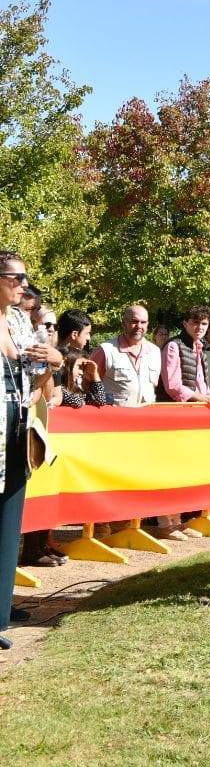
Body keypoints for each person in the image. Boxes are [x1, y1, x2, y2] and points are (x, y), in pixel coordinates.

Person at [0, 252, 46, 649]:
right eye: (16, 278)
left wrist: (55, 357)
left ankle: (1, 613)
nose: (23, 285)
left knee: (8, 526)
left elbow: (41, 363)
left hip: (16, 432)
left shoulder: (17, 319)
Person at [91, 305, 160, 406]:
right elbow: (88, 384)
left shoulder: (155, 351)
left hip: (146, 417)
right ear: (124, 323)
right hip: (115, 418)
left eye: (143, 322)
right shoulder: (106, 350)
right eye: (134, 321)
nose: (139, 326)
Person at [162, 305, 210, 404]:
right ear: (185, 324)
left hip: (197, 409)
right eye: (196, 322)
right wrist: (204, 398)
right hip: (178, 411)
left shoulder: (200, 348)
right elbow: (173, 387)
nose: (200, 327)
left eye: (204, 323)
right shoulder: (173, 346)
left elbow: (201, 385)